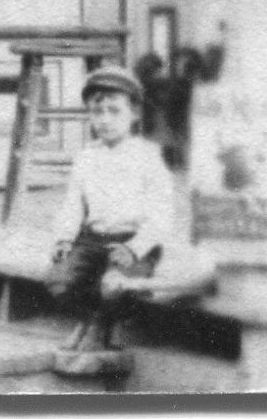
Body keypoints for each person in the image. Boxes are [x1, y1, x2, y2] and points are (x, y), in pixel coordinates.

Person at [40, 63, 176, 362]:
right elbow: (73, 204)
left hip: (133, 242)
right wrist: (64, 238)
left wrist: (134, 248)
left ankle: (107, 323)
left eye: (114, 111)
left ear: (135, 113)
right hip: (93, 239)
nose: (104, 120)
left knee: (117, 284)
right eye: (97, 112)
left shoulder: (147, 156)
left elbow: (162, 214)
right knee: (58, 279)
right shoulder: (86, 157)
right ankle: (88, 318)